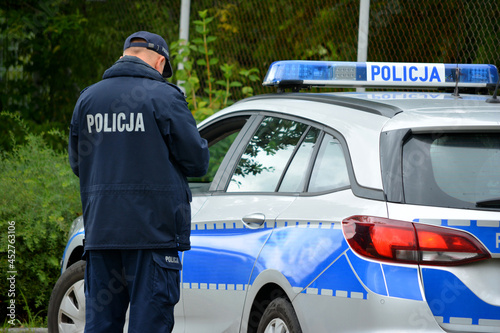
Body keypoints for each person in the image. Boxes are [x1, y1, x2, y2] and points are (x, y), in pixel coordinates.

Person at [68, 31, 210, 333]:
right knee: (149, 325)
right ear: (160, 61)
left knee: (100, 326)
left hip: (101, 235)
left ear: (124, 55)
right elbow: (197, 162)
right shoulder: (165, 97)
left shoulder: (88, 99)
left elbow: (79, 164)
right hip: (153, 236)